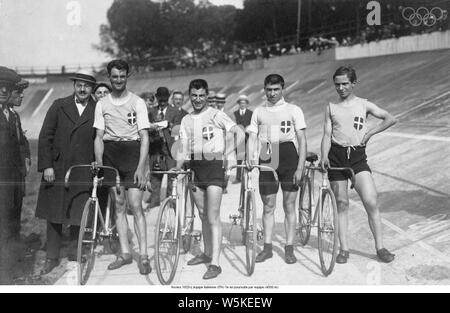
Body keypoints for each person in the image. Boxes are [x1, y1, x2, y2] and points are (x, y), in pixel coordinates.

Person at [320, 66, 396, 264]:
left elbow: (390, 119)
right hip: (336, 158)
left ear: (353, 83)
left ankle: (380, 247)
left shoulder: (364, 104)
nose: (341, 88)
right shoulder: (330, 107)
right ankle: (344, 249)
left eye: (345, 83)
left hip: (357, 158)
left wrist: (370, 133)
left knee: (371, 201)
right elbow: (327, 135)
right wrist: (324, 156)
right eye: (337, 84)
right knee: (342, 204)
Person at [175, 79, 245, 280]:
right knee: (203, 214)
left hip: (214, 166)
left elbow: (239, 133)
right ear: (190, 96)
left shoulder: (216, 114)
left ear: (207, 96)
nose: (198, 99)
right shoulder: (186, 120)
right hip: (195, 167)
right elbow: (183, 148)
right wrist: (178, 167)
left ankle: (215, 263)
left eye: (202, 96)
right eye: (194, 96)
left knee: (213, 216)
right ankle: (206, 252)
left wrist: (228, 153)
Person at [35, 70, 98, 275]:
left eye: (87, 86)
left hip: (83, 169)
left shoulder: (97, 109)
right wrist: (47, 166)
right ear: (74, 86)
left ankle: (74, 253)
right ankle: (51, 257)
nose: (82, 89)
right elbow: (46, 136)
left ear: (92, 89)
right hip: (58, 168)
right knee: (54, 213)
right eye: (79, 85)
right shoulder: (59, 105)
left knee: (78, 212)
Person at [93, 60, 151, 275]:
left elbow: (144, 137)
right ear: (109, 77)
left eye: (122, 76)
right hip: (111, 155)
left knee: (135, 205)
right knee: (117, 204)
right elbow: (99, 136)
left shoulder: (137, 102)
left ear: (128, 76)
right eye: (115, 76)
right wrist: (100, 162)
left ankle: (143, 255)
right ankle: (126, 252)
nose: (118, 80)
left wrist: (141, 167)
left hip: (132, 153)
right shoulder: (102, 104)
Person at [247, 74, 307, 265]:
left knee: (289, 205)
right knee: (268, 206)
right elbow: (253, 138)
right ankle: (267, 248)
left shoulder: (294, 110)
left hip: (289, 155)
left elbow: (302, 140)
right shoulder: (258, 111)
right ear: (264, 89)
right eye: (269, 90)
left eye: (276, 89)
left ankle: (289, 248)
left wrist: (300, 167)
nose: (272, 93)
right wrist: (250, 156)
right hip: (267, 155)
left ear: (282, 89)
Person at [0, 66, 21, 284]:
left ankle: (10, 272)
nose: (4, 91)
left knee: (11, 223)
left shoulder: (10, 114)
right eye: (0, 87)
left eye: (7, 88)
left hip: (12, 181)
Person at [147, 87, 183, 209]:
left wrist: (170, 125)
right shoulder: (151, 111)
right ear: (156, 98)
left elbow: (179, 129)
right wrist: (152, 128)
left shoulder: (175, 112)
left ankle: (170, 200)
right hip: (155, 146)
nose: (162, 102)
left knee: (171, 174)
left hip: (170, 147)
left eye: (164, 99)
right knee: (155, 174)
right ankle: (155, 199)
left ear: (168, 98)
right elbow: (146, 128)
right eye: (160, 99)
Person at [8, 79, 31, 241]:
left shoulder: (14, 115)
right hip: (6, 174)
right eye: (18, 93)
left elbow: (22, 140)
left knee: (16, 208)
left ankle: (14, 242)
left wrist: (27, 157)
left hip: (17, 174)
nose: (22, 96)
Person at [233, 95, 253, 184]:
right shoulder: (235, 114)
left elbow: (253, 125)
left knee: (247, 158)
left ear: (247, 104)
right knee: (239, 158)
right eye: (241, 103)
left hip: (248, 138)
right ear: (239, 104)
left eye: (244, 102)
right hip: (238, 139)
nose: (242, 104)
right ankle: (238, 178)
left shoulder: (251, 113)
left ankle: (248, 177)